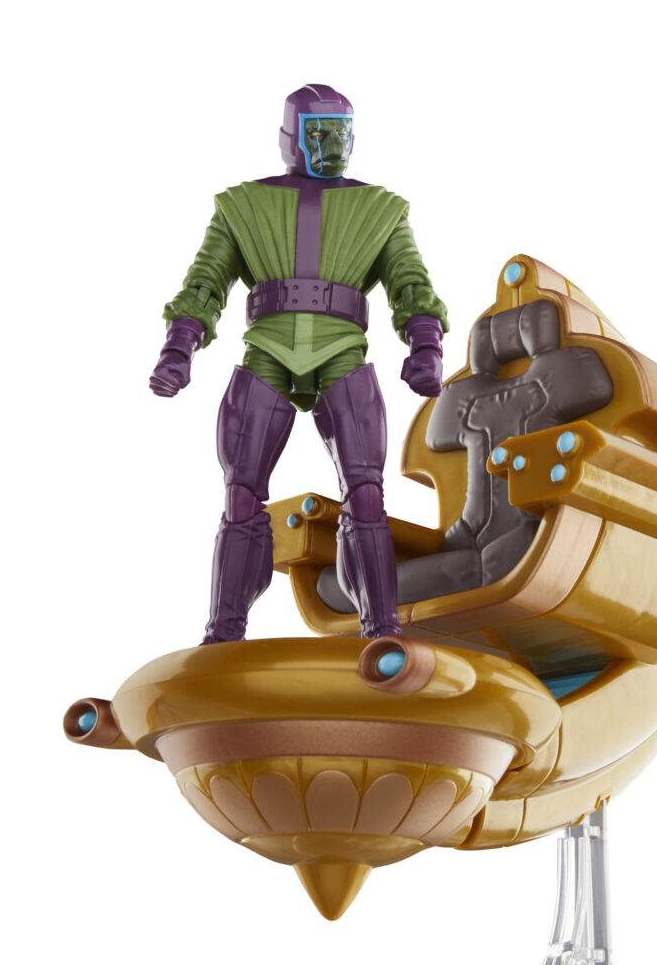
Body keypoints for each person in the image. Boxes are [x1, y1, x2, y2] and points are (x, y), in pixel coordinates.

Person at [149, 84, 449, 643]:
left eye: (340, 134)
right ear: (291, 137)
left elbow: (411, 284)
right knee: (241, 493)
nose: (331, 146)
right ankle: (225, 632)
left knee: (366, 493)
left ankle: (382, 628)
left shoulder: (381, 209)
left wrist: (425, 345)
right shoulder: (243, 205)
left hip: (342, 349)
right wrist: (179, 346)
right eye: (318, 134)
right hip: (267, 346)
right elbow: (205, 283)